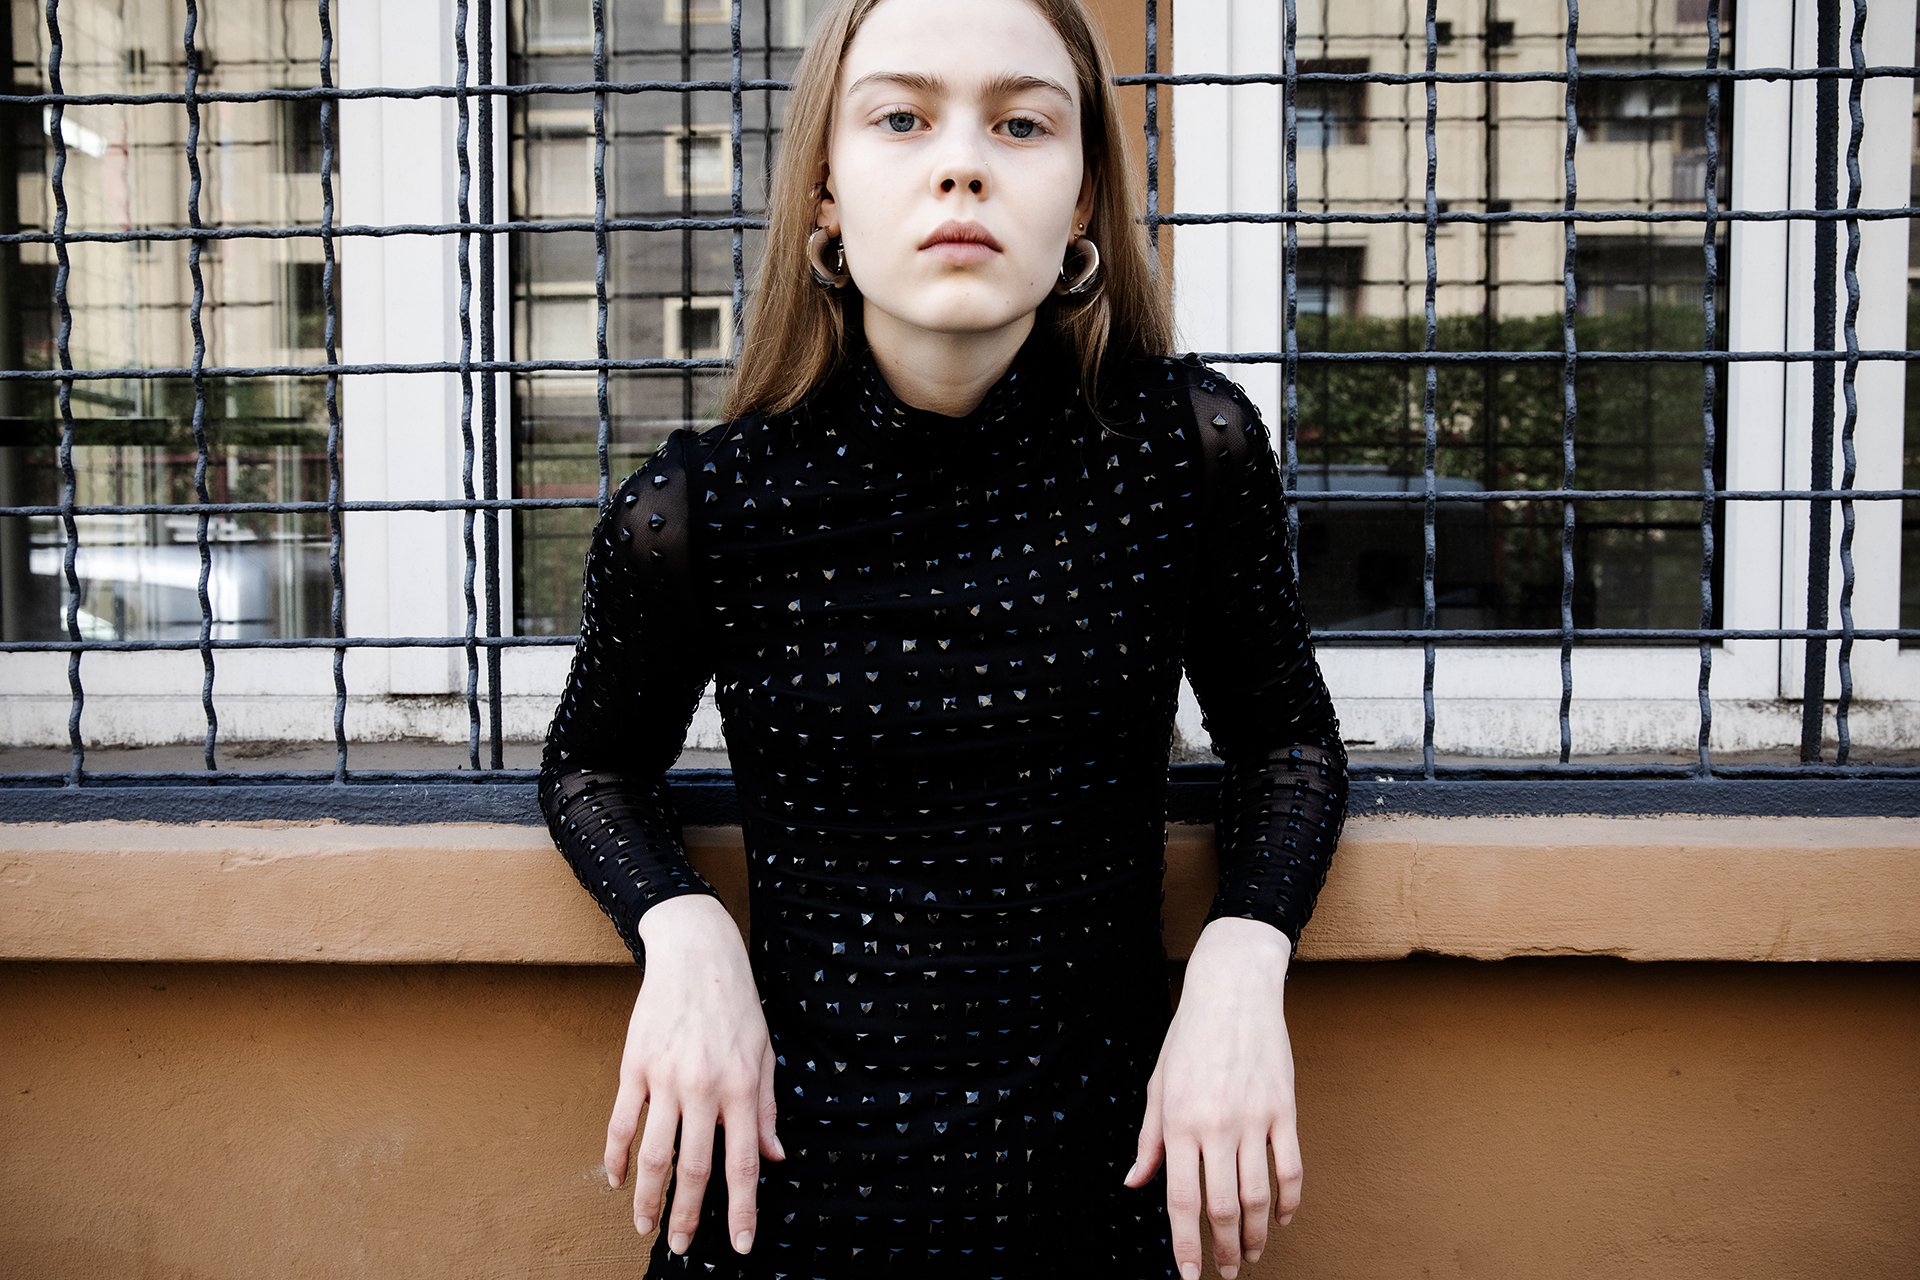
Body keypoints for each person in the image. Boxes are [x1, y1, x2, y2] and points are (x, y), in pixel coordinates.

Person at [535, 0, 1349, 1276]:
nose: (961, 162)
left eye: (1022, 122)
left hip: (1109, 1201)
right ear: (825, 189)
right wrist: (682, 931)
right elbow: (590, 768)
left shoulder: (1187, 449)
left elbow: (1287, 738)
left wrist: (1243, 965)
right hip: (787, 1210)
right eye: (902, 117)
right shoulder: (695, 508)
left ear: (1082, 198)